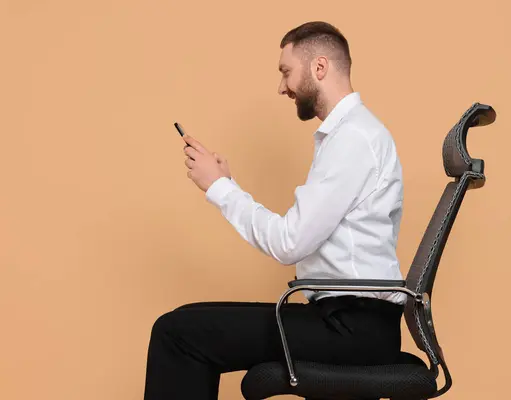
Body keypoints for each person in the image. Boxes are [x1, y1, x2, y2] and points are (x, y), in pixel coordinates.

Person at [143, 21, 406, 400]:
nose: (282, 86)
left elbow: (289, 243)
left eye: (286, 71)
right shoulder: (352, 135)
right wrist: (226, 185)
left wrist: (219, 188)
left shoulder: (354, 139)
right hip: (347, 321)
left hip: (353, 329)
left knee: (177, 334)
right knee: (181, 322)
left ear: (319, 68)